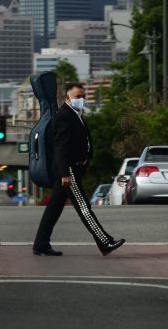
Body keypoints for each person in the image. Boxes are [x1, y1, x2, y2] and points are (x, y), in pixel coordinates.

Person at [32, 82, 125, 257]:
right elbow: (61, 149)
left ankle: (40, 244)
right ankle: (105, 242)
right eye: (77, 96)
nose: (81, 99)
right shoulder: (64, 116)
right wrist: (65, 174)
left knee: (54, 208)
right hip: (68, 170)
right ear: (68, 97)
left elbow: (84, 142)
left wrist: (86, 162)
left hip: (75, 168)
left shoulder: (76, 114)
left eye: (83, 96)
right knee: (83, 207)